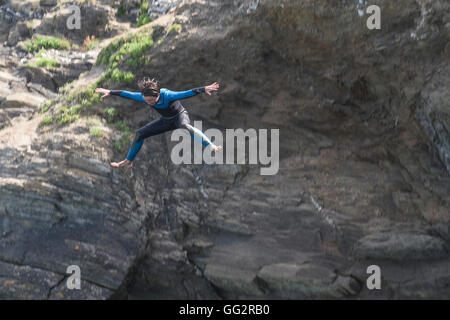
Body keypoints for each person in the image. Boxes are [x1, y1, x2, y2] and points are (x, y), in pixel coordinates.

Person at [95, 78, 222, 168]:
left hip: (179, 117)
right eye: (146, 101)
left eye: (151, 100)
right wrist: (110, 92)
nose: (149, 103)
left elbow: (186, 93)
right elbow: (127, 94)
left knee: (185, 127)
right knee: (139, 134)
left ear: (158, 94)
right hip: (166, 121)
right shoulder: (144, 97)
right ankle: (129, 161)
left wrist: (203, 89)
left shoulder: (168, 95)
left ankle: (210, 144)